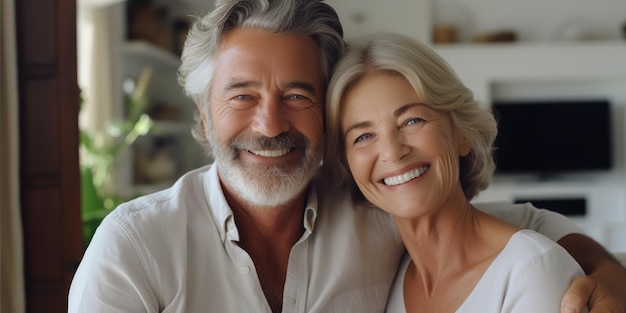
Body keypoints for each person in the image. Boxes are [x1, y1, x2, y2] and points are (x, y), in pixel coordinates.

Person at [68, 1, 626, 312]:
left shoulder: (379, 209)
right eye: (241, 95)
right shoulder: (134, 248)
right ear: (204, 111)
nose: (269, 124)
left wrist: (607, 271)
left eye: (297, 95)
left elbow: (517, 229)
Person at [325, 32, 588, 312]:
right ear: (348, 163)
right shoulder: (388, 279)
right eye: (363, 136)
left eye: (412, 120)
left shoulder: (531, 270)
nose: (392, 152)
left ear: (462, 133)